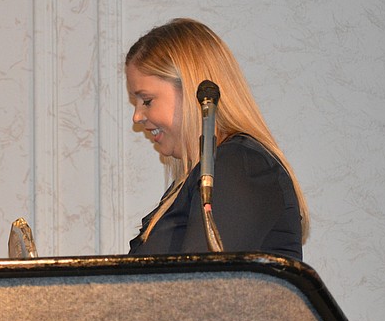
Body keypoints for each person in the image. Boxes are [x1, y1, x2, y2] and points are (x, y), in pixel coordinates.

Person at [125, 18, 308, 260]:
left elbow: (200, 286)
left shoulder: (238, 165)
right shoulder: (203, 176)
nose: (137, 116)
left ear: (192, 92)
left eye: (147, 101)